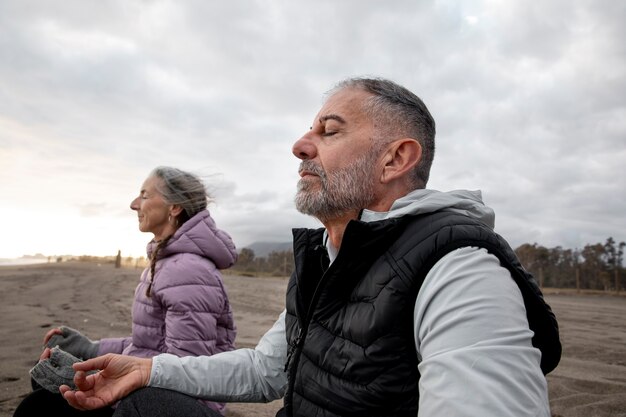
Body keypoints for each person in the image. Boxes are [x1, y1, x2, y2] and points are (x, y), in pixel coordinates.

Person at [60, 78, 561, 417]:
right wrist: (148, 367)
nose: (301, 144)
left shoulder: (459, 269)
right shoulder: (324, 256)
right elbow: (266, 370)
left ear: (395, 159)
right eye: (309, 129)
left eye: (330, 130)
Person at [13, 166, 238, 416]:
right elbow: (150, 345)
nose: (134, 204)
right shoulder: (166, 262)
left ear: (174, 207)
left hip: (166, 402)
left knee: (36, 408)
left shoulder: (187, 270)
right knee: (46, 374)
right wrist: (88, 348)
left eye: (144, 195)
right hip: (150, 385)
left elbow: (183, 369)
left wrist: (96, 379)